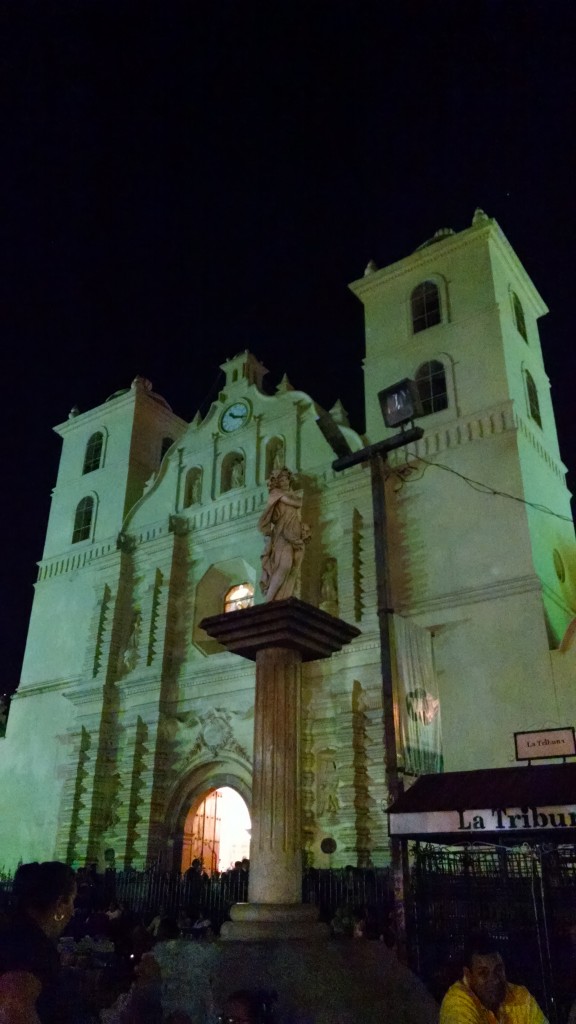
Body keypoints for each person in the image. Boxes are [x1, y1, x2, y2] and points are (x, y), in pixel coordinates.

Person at [0, 860, 77, 1024]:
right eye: (71, 901)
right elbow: (14, 1006)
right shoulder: (31, 948)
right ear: (59, 905)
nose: (73, 912)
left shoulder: (15, 933)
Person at [439, 933, 548, 1024]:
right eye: (483, 973)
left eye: (498, 970)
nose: (495, 980)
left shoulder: (519, 996)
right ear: (468, 975)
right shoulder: (457, 1004)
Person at [258, 467, 310, 602]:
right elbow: (298, 502)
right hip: (282, 535)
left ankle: (283, 598)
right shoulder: (277, 494)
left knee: (293, 568)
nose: (284, 481)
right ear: (277, 482)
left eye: (286, 478)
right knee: (284, 565)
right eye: (281, 479)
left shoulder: (288, 494)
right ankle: (269, 601)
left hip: (294, 536)